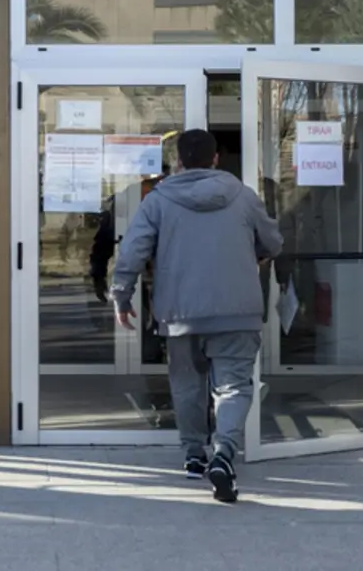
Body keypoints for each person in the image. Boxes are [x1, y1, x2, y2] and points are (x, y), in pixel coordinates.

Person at [111, 129, 283, 503]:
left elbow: (133, 251)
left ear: (179, 161)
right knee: (234, 387)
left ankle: (194, 455)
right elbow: (273, 242)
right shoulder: (243, 197)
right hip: (237, 310)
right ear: (216, 158)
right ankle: (224, 454)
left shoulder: (158, 201)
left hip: (181, 312)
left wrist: (121, 294)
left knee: (188, 385)